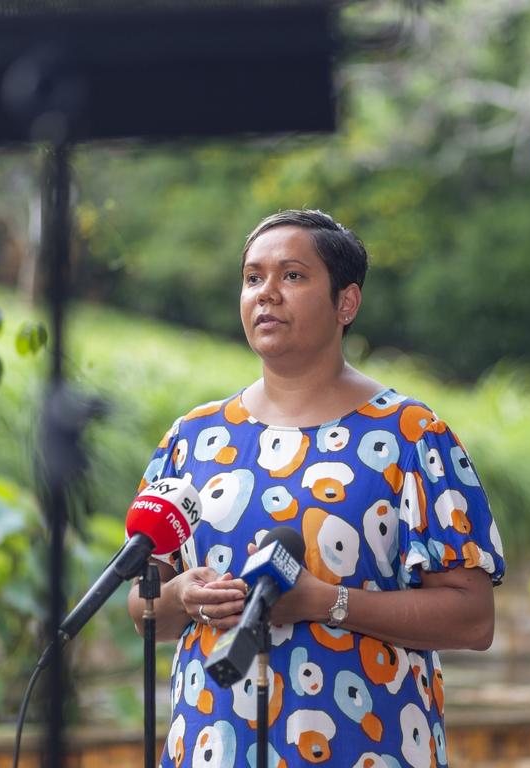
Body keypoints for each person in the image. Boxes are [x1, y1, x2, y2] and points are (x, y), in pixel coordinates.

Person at [127, 209, 505, 768]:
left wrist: (327, 603)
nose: (267, 294)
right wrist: (184, 596)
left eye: (293, 276)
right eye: (253, 277)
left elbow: (473, 619)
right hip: (214, 741)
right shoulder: (194, 438)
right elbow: (143, 606)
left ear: (346, 303)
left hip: (367, 745)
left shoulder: (410, 435)